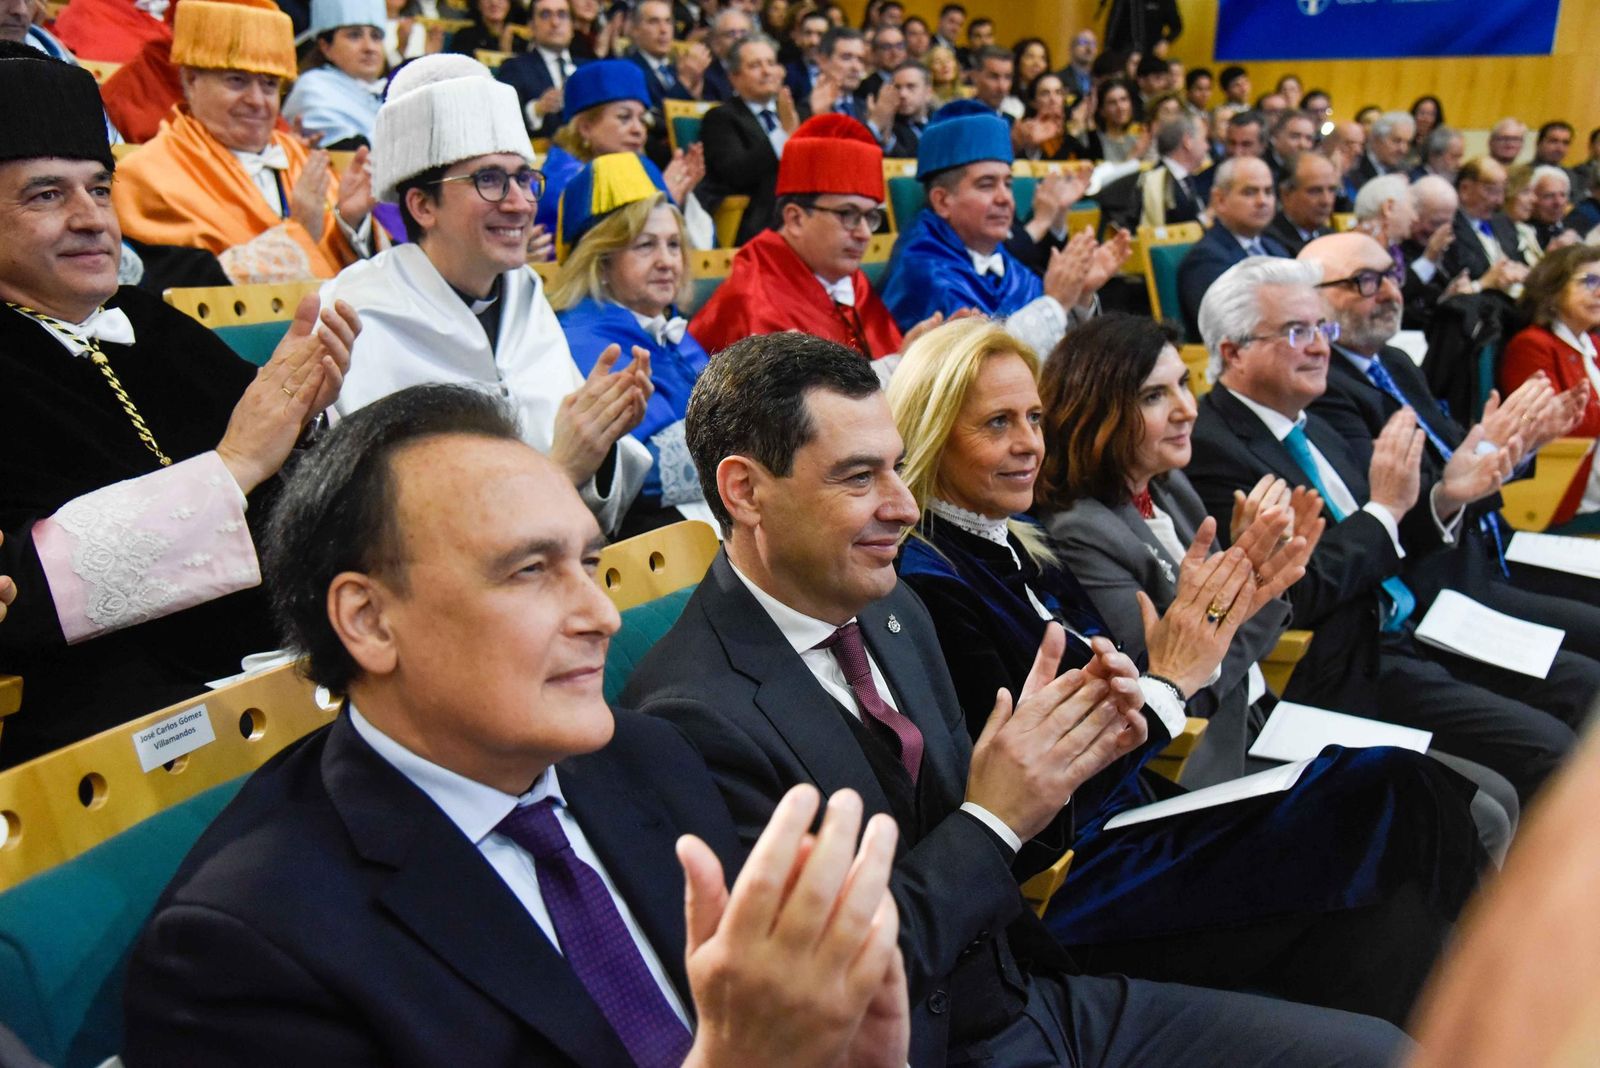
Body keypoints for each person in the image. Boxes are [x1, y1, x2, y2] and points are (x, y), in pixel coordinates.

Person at [623, 329, 1412, 1066]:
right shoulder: (687, 717)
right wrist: (995, 814)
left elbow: (1009, 846)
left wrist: (1070, 755)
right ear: (745, 491)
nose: (903, 505)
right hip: (934, 1045)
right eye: (860, 477)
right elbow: (831, 987)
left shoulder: (894, 611)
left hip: (1031, 996)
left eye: (897, 467)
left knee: (1383, 1045)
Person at [121, 383, 913, 1067]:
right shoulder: (242, 948)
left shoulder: (647, 755)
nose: (601, 615)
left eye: (590, 565)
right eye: (531, 571)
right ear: (369, 620)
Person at [890, 316, 1488, 1021]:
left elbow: (1145, 685)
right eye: (998, 423)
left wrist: (1232, 613)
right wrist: (1169, 680)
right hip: (1079, 872)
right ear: (932, 433)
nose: (1029, 443)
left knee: (1397, 893)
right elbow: (1046, 785)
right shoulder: (934, 580)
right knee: (1394, 789)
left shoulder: (1018, 543)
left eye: (1034, 418)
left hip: (1143, 807)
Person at [0, 44, 361, 766]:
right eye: (47, 196)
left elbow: (287, 480)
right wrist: (232, 468)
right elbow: (24, 590)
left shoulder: (153, 322)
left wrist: (304, 422)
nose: (90, 219)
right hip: (118, 727)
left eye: (100, 190)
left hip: (283, 662)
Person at [1185, 256, 1578, 802]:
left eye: (1322, 329)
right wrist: (1388, 510)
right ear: (1233, 351)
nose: (1320, 347)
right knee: (1548, 748)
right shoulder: (1210, 448)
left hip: (1419, 621)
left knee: (1580, 688)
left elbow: (1383, 534)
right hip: (1344, 662)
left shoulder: (1312, 423)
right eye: (1297, 332)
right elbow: (1291, 594)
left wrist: (1446, 495)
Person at [323, 54, 652, 535]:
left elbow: (590, 490)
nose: (519, 204)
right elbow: (397, 534)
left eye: (524, 178)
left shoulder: (525, 293)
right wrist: (561, 469)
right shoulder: (357, 312)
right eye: (490, 180)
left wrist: (600, 439)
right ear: (422, 205)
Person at [111, 0, 374, 284]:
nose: (257, 101)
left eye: (269, 84)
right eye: (237, 80)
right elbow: (178, 292)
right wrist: (297, 234)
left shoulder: (302, 158)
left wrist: (349, 222)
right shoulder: (145, 175)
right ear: (191, 79)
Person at [550, 153, 715, 533]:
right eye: (645, 246)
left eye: (673, 245)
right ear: (601, 261)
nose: (666, 261)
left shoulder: (664, 327)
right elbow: (634, 470)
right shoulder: (582, 340)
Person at [881, 109, 1126, 355]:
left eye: (1008, 184)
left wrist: (1079, 295)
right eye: (986, 185)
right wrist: (1054, 304)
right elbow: (982, 365)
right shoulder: (924, 270)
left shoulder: (997, 257)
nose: (1005, 198)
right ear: (943, 201)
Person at [691, 115, 910, 358]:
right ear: (795, 219)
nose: (865, 233)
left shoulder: (848, 279)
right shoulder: (754, 299)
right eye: (848, 214)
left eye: (870, 217)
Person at [534, 60, 706, 242]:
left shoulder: (638, 170)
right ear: (585, 127)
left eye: (642, 120)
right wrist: (661, 201)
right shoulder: (562, 181)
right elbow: (602, 251)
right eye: (624, 117)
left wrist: (675, 201)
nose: (638, 130)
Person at [1498, 244, 1600, 529]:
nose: (1599, 292)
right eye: (1590, 281)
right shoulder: (1532, 345)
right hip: (1564, 481)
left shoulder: (1593, 344)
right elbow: (1552, 425)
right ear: (1553, 289)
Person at [1176, 155, 1287, 340]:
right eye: (1250, 192)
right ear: (1219, 200)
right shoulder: (1206, 258)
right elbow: (1229, 329)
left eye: (1268, 192)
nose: (1263, 201)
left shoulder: (1275, 247)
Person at [697, 33, 791, 245]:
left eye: (771, 63)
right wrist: (782, 135)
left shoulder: (795, 113)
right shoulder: (720, 118)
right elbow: (735, 173)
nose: (767, 71)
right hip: (755, 221)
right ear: (734, 77)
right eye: (755, 65)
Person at [283, 0, 389, 150]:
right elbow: (350, 152)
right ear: (325, 46)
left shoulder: (386, 91)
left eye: (376, 36)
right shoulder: (313, 89)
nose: (369, 47)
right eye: (354, 35)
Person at [1098, 113, 1211, 233]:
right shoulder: (1156, 184)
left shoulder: (1187, 180)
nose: (1207, 147)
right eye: (1204, 139)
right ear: (1188, 141)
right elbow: (1178, 233)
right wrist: (1209, 215)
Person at [495, 0, 589, 137]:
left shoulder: (588, 68)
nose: (555, 22)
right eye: (545, 15)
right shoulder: (514, 68)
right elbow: (503, 121)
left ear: (572, 26)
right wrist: (537, 109)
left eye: (562, 15)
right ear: (531, 26)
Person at [1263, 150, 1337, 256]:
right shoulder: (1270, 242)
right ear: (1286, 194)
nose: (1326, 201)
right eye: (1315, 191)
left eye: (1332, 190)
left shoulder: (1331, 238)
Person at [880, 59, 931, 158]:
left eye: (911, 86)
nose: (902, 94)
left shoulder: (942, 121)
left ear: (928, 92)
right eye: (897, 87)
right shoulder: (890, 128)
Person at [1351, 111, 1413, 188]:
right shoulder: (1355, 167)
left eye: (1407, 143)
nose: (1403, 149)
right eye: (1397, 141)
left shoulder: (1407, 170)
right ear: (1377, 140)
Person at [447, 0, 526, 56]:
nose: (494, 2)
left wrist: (506, 49)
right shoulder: (464, 36)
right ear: (477, 4)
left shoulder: (520, 40)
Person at [1092, 77, 1143, 163]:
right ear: (1102, 110)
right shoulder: (1093, 142)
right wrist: (1136, 152)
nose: (1120, 107)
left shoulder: (1137, 138)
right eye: (1112, 103)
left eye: (1124, 100)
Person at [1527, 165, 1574, 249]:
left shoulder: (1569, 231)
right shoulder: (1521, 234)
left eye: (1562, 195)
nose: (1558, 202)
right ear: (1532, 198)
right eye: (1549, 196)